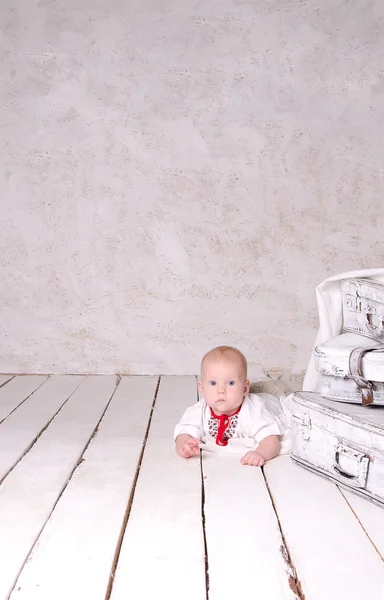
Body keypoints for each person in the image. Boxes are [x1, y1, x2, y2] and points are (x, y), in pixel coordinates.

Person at [174, 346, 286, 466]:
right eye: (213, 383)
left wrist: (260, 453)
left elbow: (271, 440)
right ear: (201, 388)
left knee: (284, 392)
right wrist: (184, 445)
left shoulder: (255, 410)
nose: (221, 390)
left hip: (275, 403)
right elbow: (183, 433)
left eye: (231, 383)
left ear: (244, 388)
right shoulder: (199, 410)